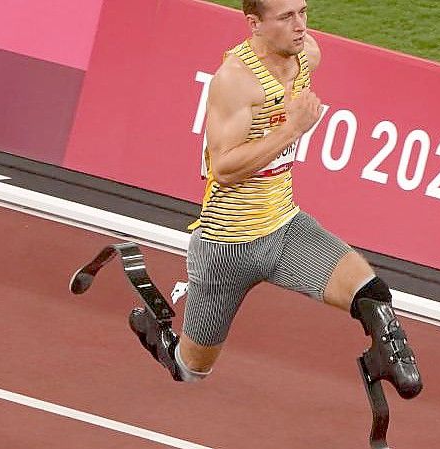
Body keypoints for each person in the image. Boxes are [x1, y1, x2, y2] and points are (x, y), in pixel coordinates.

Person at [129, 0, 422, 399]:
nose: (301, 26)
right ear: (254, 24)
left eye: (303, 12)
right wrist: (292, 129)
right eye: (286, 17)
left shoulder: (307, 56)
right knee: (192, 370)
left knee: (374, 297)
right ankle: (159, 334)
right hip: (226, 248)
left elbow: (303, 53)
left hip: (286, 228)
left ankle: (381, 362)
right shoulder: (234, 82)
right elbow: (226, 169)